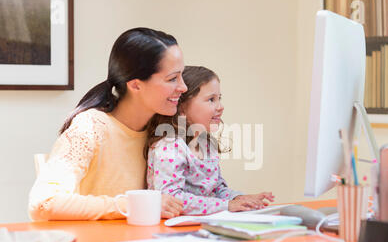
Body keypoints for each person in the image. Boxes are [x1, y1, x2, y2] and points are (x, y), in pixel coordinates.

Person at [29, 27, 187, 221]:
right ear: (135, 84)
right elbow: (44, 202)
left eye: (182, 76)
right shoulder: (90, 127)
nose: (183, 87)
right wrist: (132, 204)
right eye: (172, 79)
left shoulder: (162, 131)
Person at [145, 66, 274, 217]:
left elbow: (217, 189)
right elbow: (172, 199)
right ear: (182, 107)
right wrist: (227, 205)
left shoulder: (206, 144)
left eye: (220, 98)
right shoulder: (169, 146)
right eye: (211, 99)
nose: (221, 107)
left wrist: (240, 198)